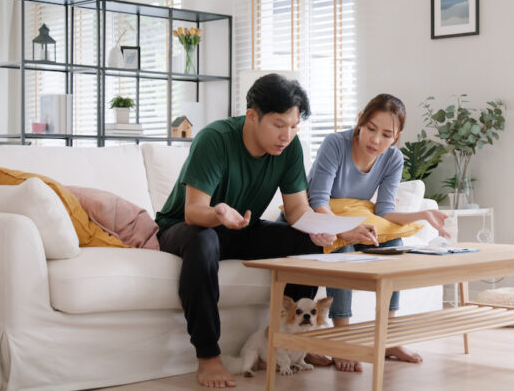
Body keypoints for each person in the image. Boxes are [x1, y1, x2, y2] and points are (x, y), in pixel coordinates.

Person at [155, 74, 372, 388]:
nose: (287, 135)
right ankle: (208, 357)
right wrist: (218, 212)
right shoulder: (214, 139)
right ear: (252, 116)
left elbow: (298, 211)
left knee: (304, 242)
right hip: (187, 226)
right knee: (203, 243)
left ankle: (295, 345)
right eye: (279, 124)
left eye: (294, 126)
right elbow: (192, 211)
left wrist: (336, 230)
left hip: (243, 227)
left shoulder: (290, 148)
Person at [307, 93, 450, 372]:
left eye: (386, 135)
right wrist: (345, 229)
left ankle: (388, 338)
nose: (376, 141)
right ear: (360, 120)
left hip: (353, 220)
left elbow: (384, 211)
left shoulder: (392, 158)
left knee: (393, 243)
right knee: (343, 249)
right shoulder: (335, 144)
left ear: (396, 136)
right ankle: (343, 339)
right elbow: (318, 201)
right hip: (319, 223)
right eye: (371, 129)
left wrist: (423, 213)